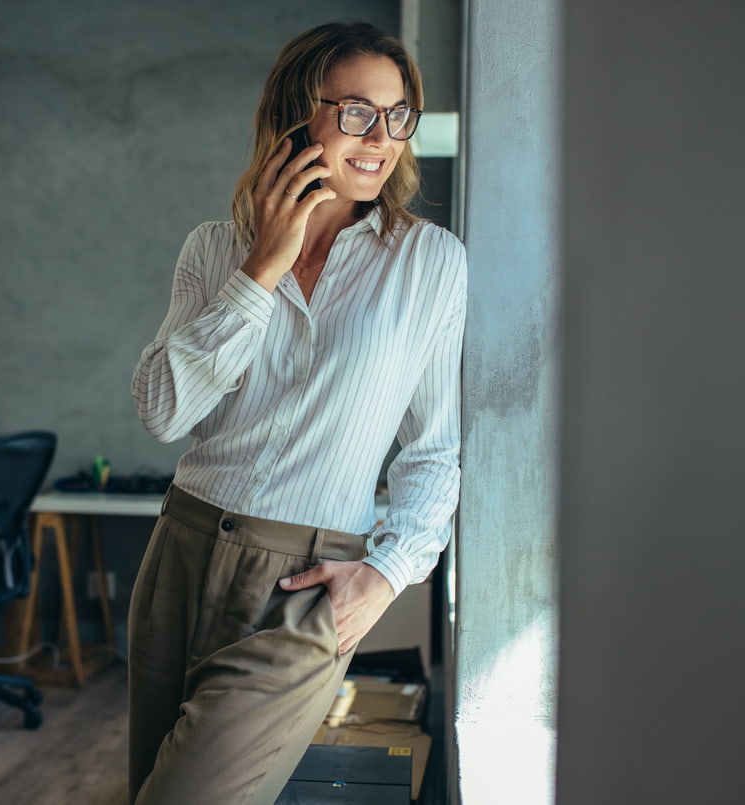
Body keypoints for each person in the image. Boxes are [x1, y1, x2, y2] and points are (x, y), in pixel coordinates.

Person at [128, 20, 466, 804]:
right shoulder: (216, 248)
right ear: (295, 116)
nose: (379, 137)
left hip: (304, 585)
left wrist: (385, 576)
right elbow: (163, 412)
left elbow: (431, 450)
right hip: (180, 549)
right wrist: (260, 271)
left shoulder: (430, 265)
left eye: (395, 114)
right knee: (146, 785)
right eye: (354, 111)